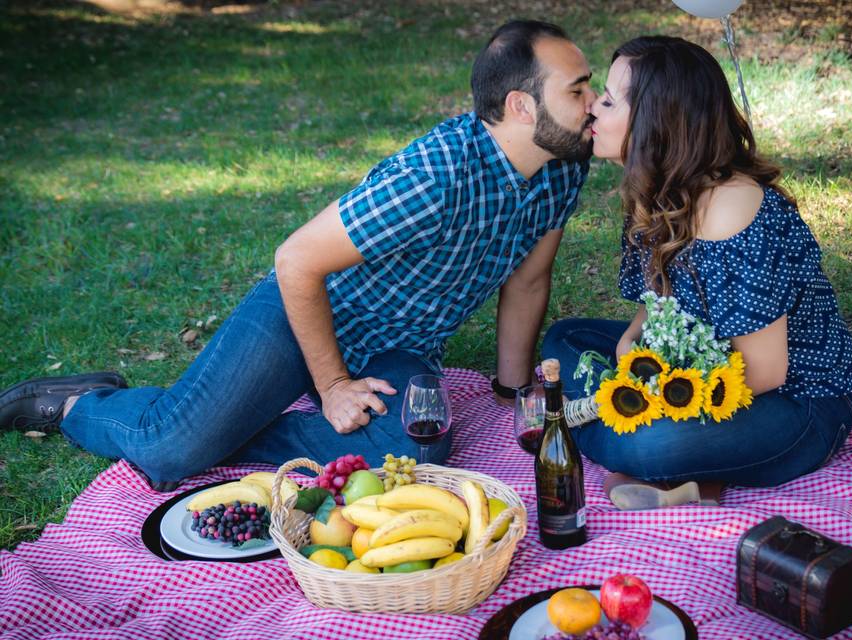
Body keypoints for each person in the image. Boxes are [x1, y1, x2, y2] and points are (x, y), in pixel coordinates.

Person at [0, 20, 596, 489]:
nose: (593, 103)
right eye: (578, 89)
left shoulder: (563, 165)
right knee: (170, 448)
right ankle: (77, 404)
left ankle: (229, 427)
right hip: (307, 310)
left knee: (419, 444)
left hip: (400, 348)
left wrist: (510, 390)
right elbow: (296, 261)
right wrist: (334, 385)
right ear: (521, 105)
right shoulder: (435, 175)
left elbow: (527, 280)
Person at [541, 35, 852, 509]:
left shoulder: (732, 212)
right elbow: (657, 308)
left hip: (798, 403)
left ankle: (604, 435)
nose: (593, 110)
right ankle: (655, 456)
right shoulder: (659, 187)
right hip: (702, 370)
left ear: (656, 120)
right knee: (565, 340)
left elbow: (766, 371)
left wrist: (655, 394)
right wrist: (632, 348)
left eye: (609, 100)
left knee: (648, 443)